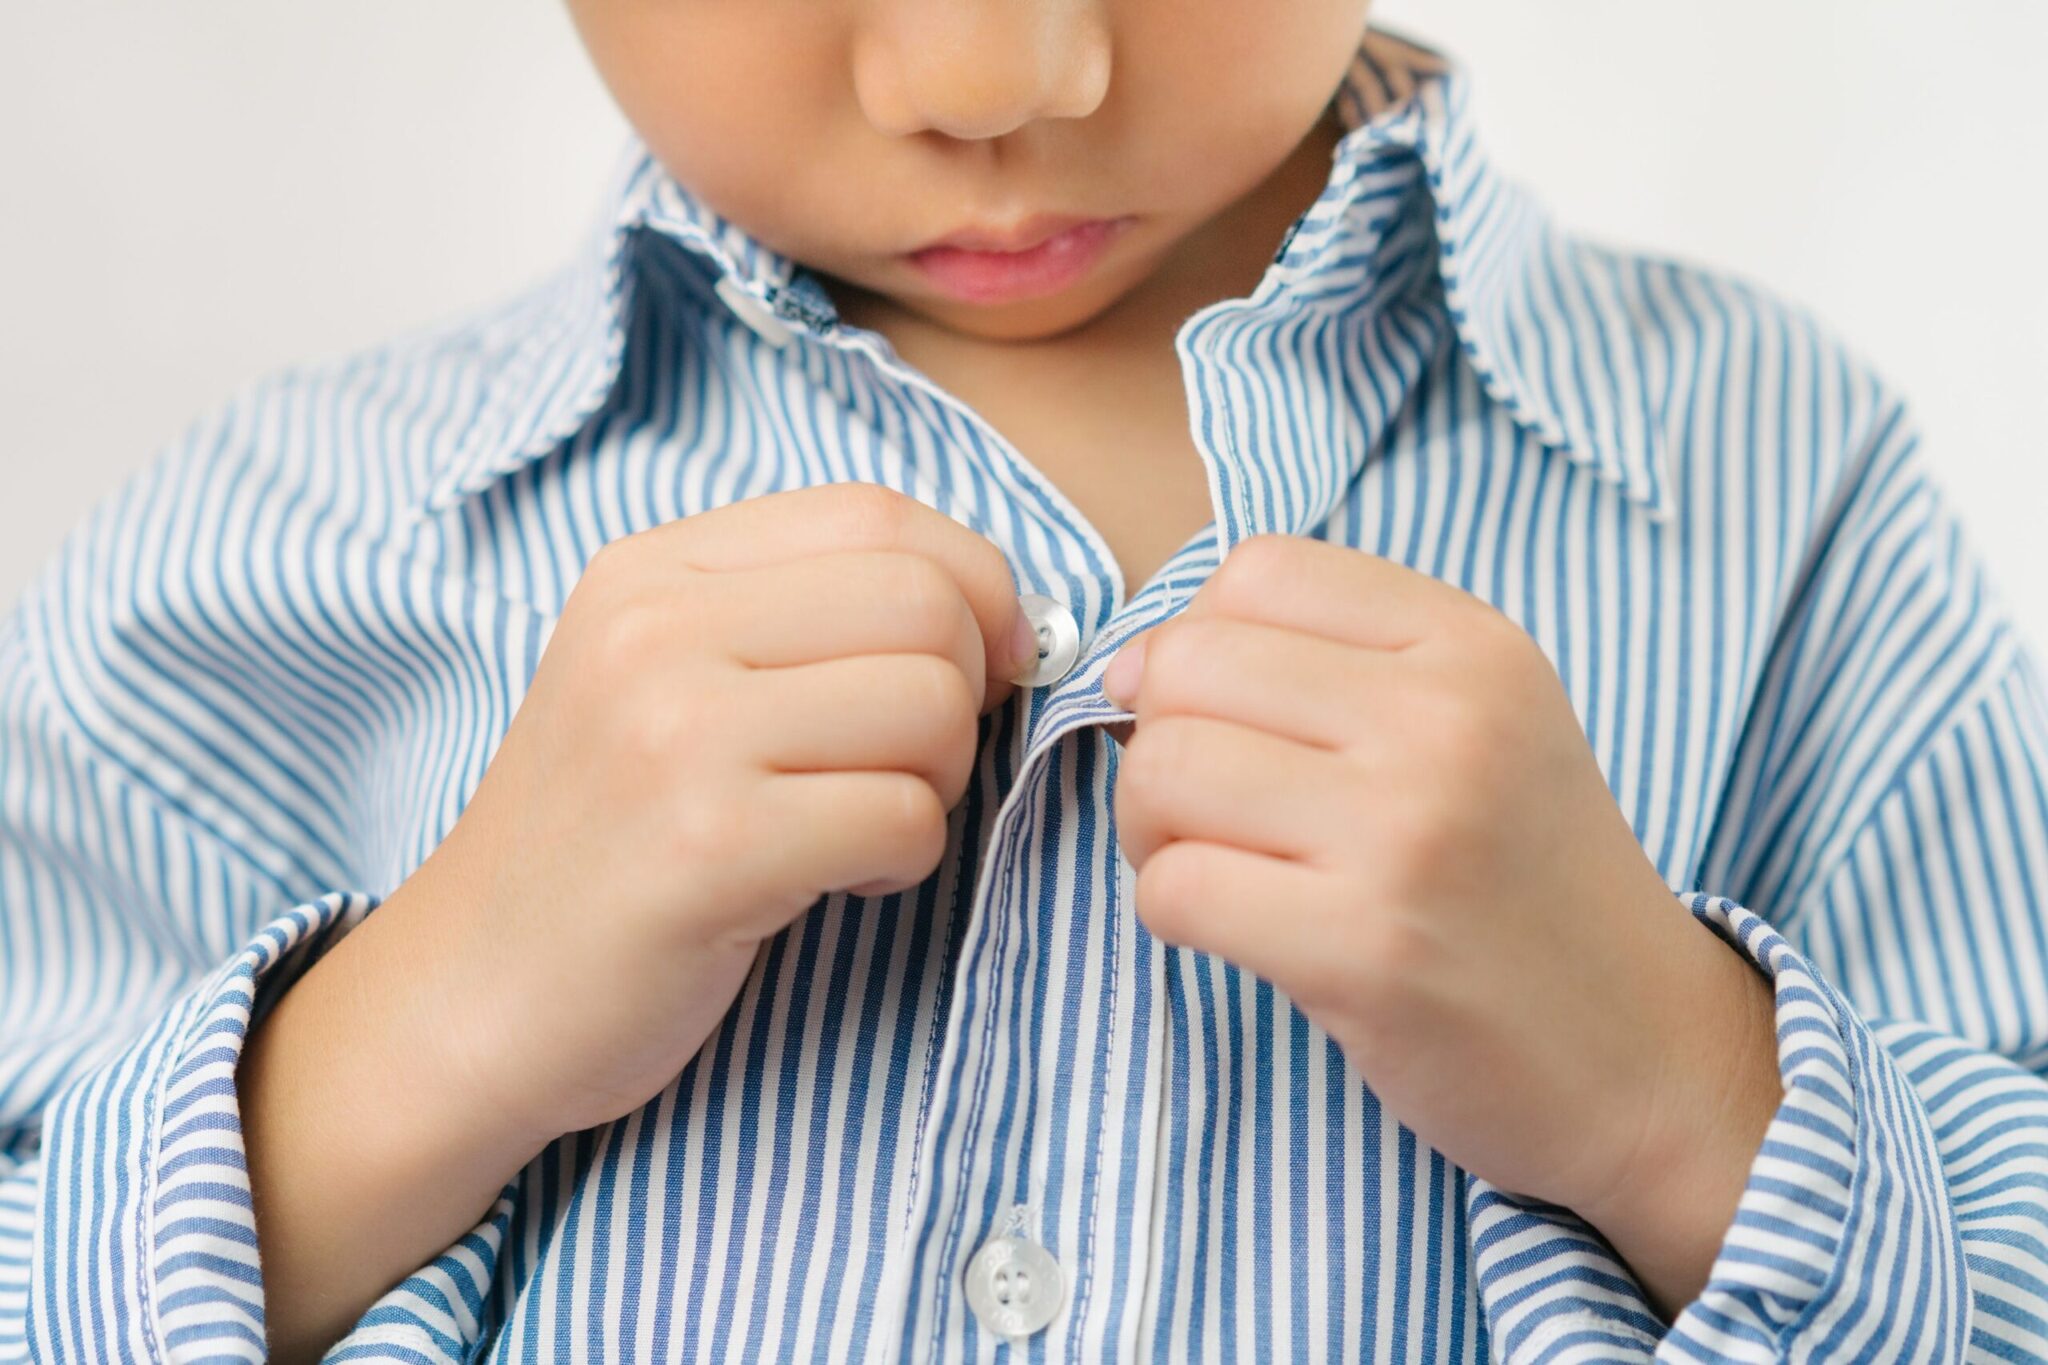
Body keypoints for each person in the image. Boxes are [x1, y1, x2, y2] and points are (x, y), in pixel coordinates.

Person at [3, 6, 2045, 1362]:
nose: (994, 67)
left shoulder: (1778, 491)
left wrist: (1680, 1087)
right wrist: (396, 1047)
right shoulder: (270, 548)